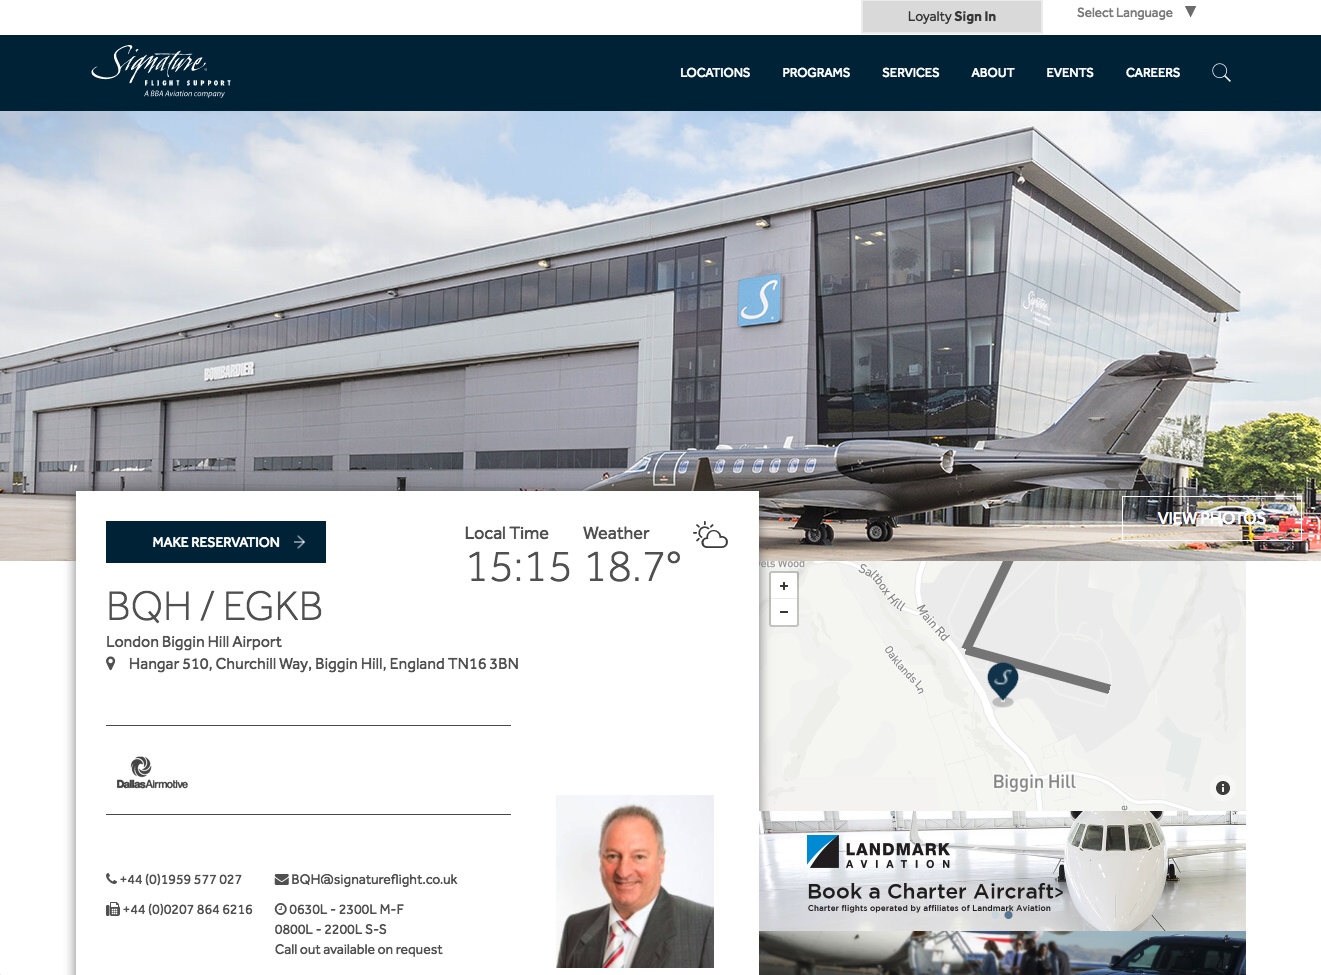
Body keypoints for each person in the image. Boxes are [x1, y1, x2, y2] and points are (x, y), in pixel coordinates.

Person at [558, 805, 714, 968]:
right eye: (612, 856)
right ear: (600, 860)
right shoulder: (575, 927)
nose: (623, 872)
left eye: (639, 856)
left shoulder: (706, 926)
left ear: (661, 861)